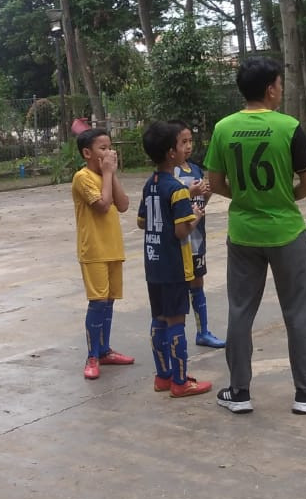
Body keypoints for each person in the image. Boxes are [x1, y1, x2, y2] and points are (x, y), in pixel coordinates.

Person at [204, 56, 306, 415]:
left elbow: (215, 182)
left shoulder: (223, 128)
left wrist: (245, 198)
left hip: (243, 233)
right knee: (297, 313)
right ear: (270, 89)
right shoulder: (288, 126)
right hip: (285, 232)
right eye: (279, 84)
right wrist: (283, 197)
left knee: (240, 311)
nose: (281, 89)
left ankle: (238, 391)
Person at [137, 122, 213, 399]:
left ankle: (163, 375)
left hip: (153, 264)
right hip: (174, 265)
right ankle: (180, 381)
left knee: (158, 319)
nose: (186, 148)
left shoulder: (150, 184)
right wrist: (195, 216)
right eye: (182, 144)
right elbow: (182, 231)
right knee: (176, 322)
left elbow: (141, 221)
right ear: (171, 153)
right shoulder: (177, 189)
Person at [70, 127, 134, 381]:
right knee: (97, 302)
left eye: (110, 147)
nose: (109, 152)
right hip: (94, 250)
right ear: (87, 153)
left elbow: (123, 205)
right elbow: (103, 205)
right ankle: (92, 356)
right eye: (103, 148)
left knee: (109, 301)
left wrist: (111, 174)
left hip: (113, 248)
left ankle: (105, 350)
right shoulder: (82, 177)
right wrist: (107, 172)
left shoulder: (106, 176)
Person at [169, 120, 224, 348]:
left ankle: (203, 331)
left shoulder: (196, 169)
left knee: (198, 282)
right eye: (183, 142)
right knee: (178, 285)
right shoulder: (170, 172)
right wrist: (190, 192)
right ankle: (175, 333)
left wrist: (206, 194)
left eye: (190, 141)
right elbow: (171, 200)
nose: (189, 146)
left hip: (197, 238)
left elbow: (200, 202)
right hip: (180, 240)